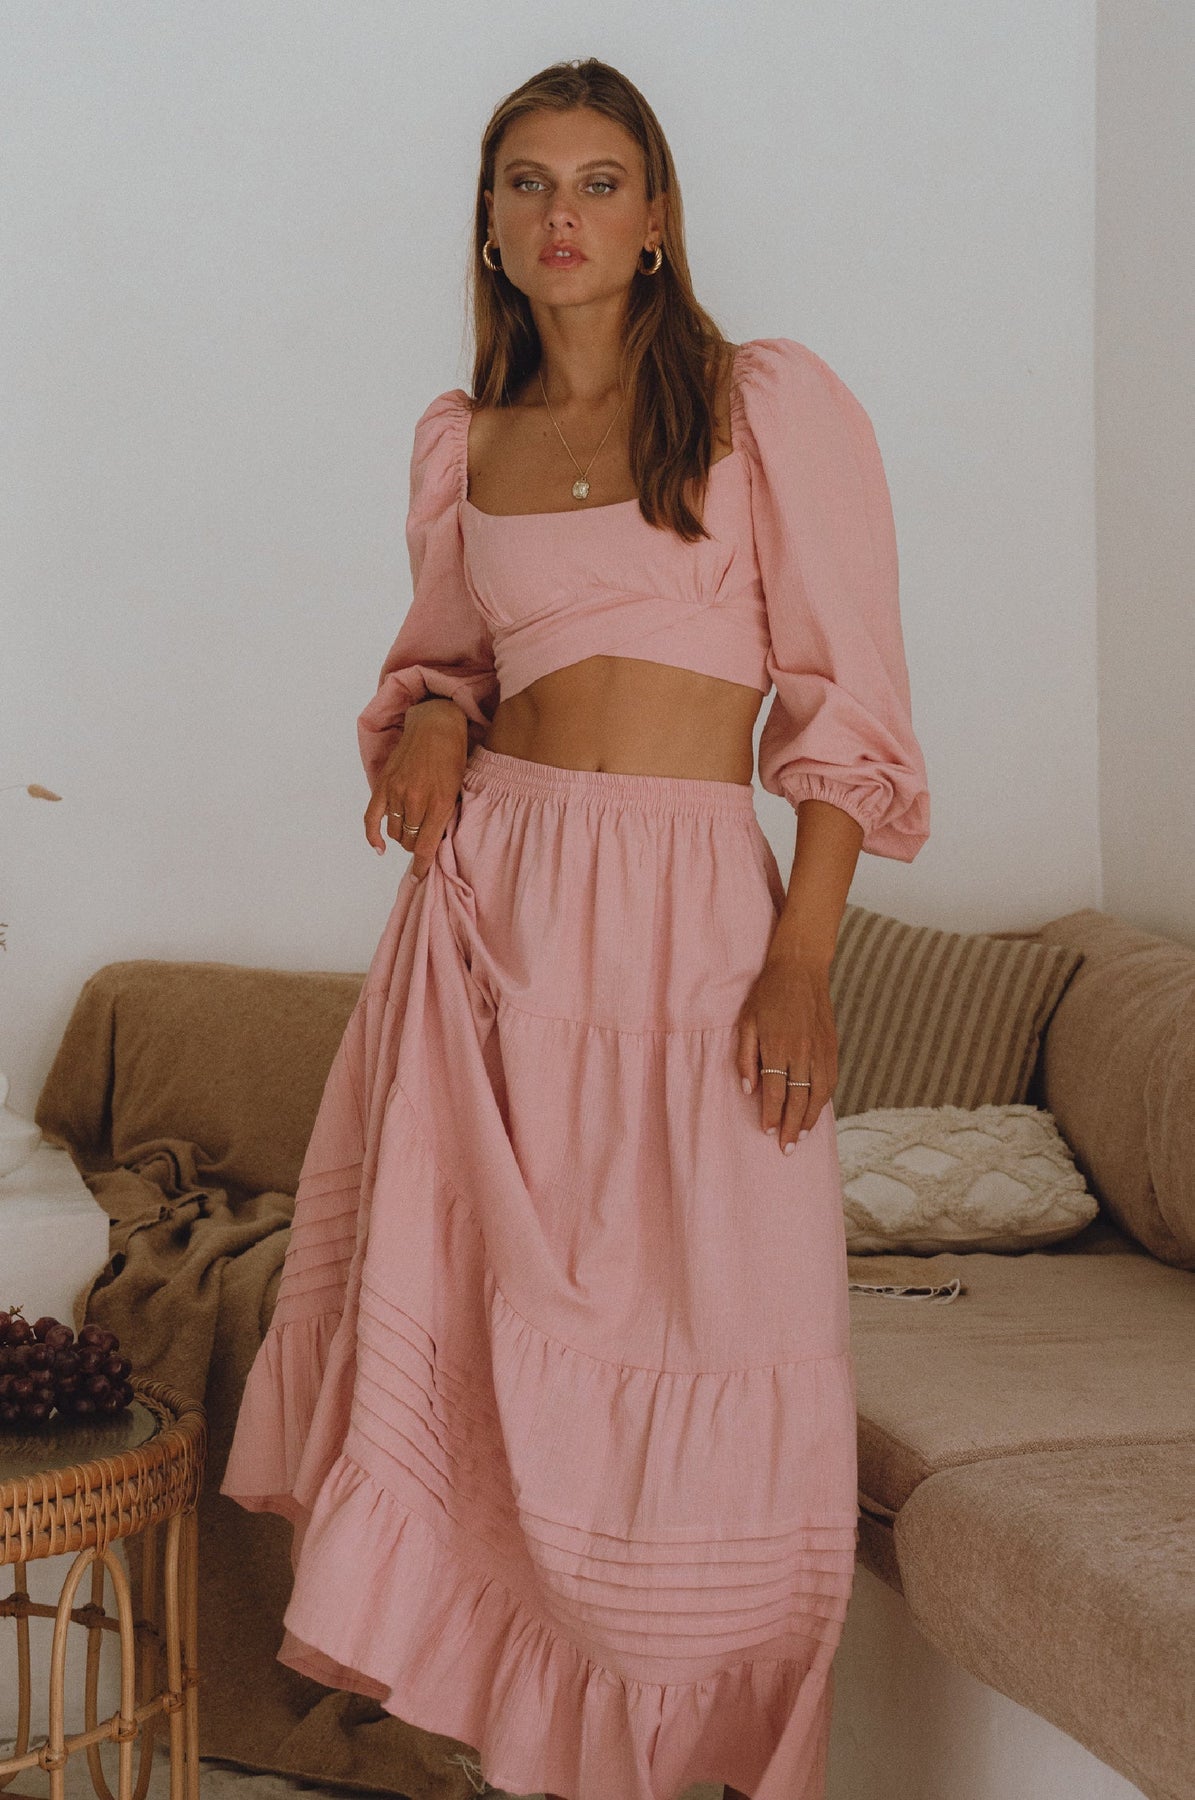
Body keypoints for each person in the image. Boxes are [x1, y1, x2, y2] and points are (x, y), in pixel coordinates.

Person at [220, 54, 930, 1800]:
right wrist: (438, 720)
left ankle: (695, 1749)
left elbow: (844, 710)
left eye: (601, 182)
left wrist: (800, 959)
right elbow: (448, 663)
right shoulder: (466, 441)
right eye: (528, 182)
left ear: (657, 216)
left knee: (713, 1330)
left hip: (695, 918)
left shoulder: (765, 406)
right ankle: (524, 1757)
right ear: (489, 220)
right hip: (493, 923)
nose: (564, 214)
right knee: (480, 1353)